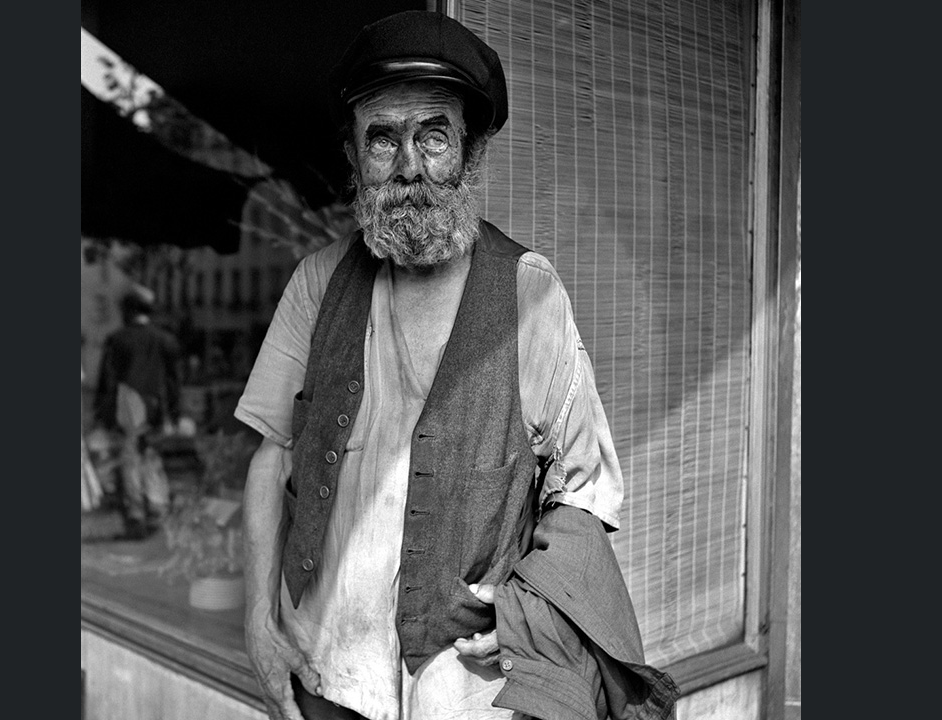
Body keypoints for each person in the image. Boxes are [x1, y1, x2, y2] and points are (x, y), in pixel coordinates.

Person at [236, 11, 679, 720]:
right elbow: (271, 456)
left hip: (465, 692)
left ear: (471, 152)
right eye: (383, 138)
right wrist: (258, 622)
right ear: (354, 155)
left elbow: (584, 490)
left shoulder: (530, 294)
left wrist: (535, 615)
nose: (409, 166)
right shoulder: (317, 282)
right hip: (321, 666)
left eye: (434, 136)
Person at [94, 288, 182, 537]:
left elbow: (107, 381)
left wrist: (103, 414)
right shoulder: (165, 340)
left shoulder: (117, 340)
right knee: (151, 458)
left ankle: (135, 517)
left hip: (127, 408)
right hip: (154, 409)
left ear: (129, 310)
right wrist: (174, 413)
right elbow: (173, 381)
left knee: (129, 461)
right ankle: (156, 510)